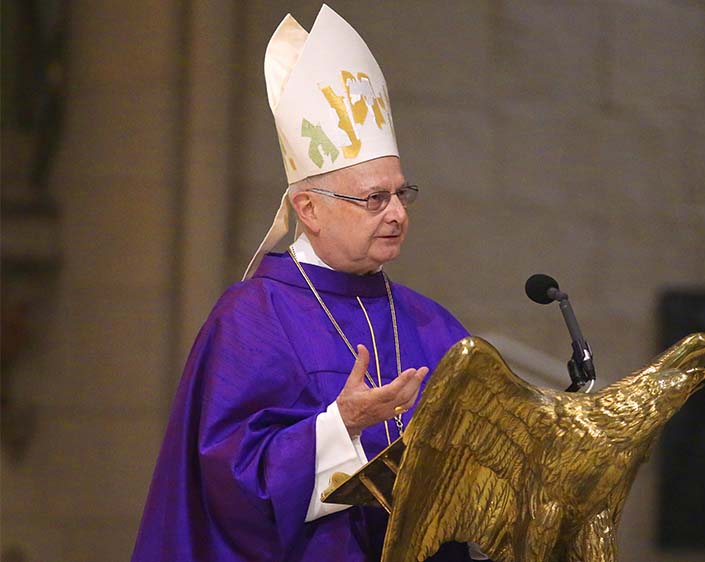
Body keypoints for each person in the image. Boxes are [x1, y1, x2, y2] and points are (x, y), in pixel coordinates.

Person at [132, 5, 480, 561]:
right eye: (373, 199)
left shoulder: (432, 325)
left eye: (400, 193)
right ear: (309, 209)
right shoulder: (251, 320)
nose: (396, 214)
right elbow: (228, 485)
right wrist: (340, 426)